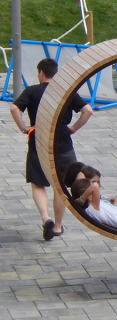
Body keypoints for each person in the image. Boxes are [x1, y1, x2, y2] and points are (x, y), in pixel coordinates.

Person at [10, 58, 93, 240]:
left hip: (38, 142)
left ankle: (45, 218)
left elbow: (14, 108)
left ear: (41, 73)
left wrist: (24, 128)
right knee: (60, 186)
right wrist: (73, 128)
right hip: (63, 143)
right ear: (55, 75)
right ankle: (57, 226)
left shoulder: (32, 91)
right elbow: (88, 110)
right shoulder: (66, 93)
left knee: (38, 183)